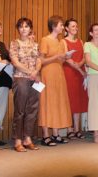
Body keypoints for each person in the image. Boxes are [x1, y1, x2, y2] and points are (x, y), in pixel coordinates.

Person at [38, 15, 72, 146]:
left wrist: (65, 57)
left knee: (57, 102)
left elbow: (61, 60)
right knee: (47, 102)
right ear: (53, 26)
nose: (63, 27)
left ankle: (56, 134)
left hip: (59, 73)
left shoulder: (60, 42)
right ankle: (46, 136)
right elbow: (41, 60)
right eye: (61, 25)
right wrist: (57, 56)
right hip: (48, 74)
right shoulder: (45, 40)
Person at [10, 17, 41, 152]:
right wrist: (31, 72)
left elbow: (39, 60)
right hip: (21, 78)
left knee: (33, 109)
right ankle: (17, 140)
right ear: (18, 29)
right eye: (21, 26)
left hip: (35, 79)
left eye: (26, 26)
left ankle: (27, 138)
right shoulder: (14, 43)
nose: (24, 29)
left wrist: (36, 71)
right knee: (20, 110)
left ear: (30, 29)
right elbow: (16, 63)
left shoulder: (35, 44)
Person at [63, 18, 88, 140]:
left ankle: (77, 129)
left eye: (76, 26)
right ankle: (69, 130)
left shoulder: (81, 41)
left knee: (79, 100)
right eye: (72, 26)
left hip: (80, 73)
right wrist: (79, 68)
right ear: (66, 28)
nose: (75, 28)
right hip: (70, 73)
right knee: (70, 100)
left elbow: (84, 57)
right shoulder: (63, 41)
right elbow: (66, 58)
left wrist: (81, 65)